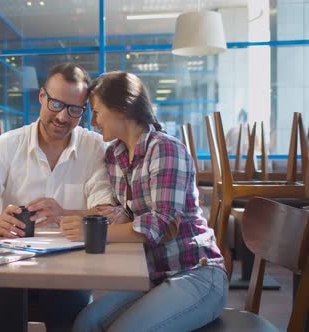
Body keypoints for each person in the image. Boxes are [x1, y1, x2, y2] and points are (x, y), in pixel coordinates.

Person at [60, 71, 227, 331]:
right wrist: (66, 214)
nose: (93, 122)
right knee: (86, 323)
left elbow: (160, 224)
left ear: (121, 109)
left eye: (96, 112)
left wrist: (91, 232)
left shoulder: (165, 149)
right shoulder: (115, 155)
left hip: (196, 274)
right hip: (154, 276)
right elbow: (119, 212)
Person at [0, 63, 112, 332]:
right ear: (42, 97)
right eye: (56, 104)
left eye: (74, 110)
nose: (63, 117)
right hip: (10, 264)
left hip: (69, 268)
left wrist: (64, 213)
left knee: (68, 308)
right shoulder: (7, 145)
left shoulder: (95, 148)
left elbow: (107, 212)